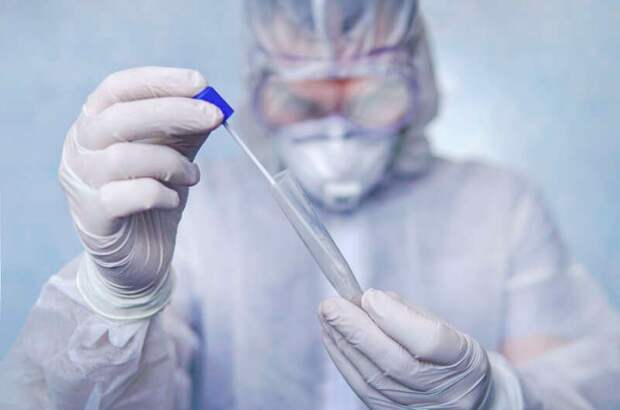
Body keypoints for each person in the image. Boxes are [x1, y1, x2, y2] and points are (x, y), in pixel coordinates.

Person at [2, 1, 620, 409]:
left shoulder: (499, 205)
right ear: (260, 89)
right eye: (302, 100)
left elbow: (589, 385)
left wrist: (495, 397)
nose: (337, 130)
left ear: (418, 83)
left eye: (371, 97)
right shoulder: (195, 209)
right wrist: (119, 298)